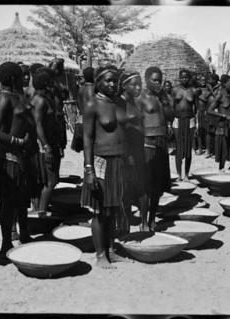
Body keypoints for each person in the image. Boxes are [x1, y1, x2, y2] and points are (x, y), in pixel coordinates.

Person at [81, 65, 129, 268]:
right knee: (100, 210)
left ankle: (111, 249)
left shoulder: (120, 103)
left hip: (119, 160)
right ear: (99, 82)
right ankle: (100, 255)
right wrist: (89, 168)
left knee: (114, 208)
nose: (112, 84)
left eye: (115, 80)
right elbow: (87, 137)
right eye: (108, 80)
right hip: (101, 161)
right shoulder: (93, 105)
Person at [0, 62, 33, 252]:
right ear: (13, 78)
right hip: (7, 157)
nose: (25, 78)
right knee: (7, 202)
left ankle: (24, 234)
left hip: (20, 156)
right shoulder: (5, 98)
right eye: (21, 76)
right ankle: (6, 243)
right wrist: (17, 141)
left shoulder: (19, 96)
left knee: (22, 199)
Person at [138, 66, 173, 231]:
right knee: (146, 185)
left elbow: (170, 115)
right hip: (148, 142)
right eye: (154, 80)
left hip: (162, 142)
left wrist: (165, 101)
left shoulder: (162, 98)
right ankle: (143, 221)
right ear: (146, 80)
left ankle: (152, 219)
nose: (158, 83)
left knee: (157, 186)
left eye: (160, 80)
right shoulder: (140, 98)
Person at [119, 71, 148, 231]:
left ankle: (144, 223)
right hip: (126, 152)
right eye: (134, 84)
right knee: (126, 189)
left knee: (142, 187)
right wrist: (127, 154)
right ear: (124, 86)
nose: (138, 87)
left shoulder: (136, 102)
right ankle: (126, 224)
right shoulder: (119, 104)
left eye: (140, 84)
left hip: (139, 150)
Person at [30, 68, 61, 215]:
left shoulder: (43, 99)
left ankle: (41, 209)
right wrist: (47, 146)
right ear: (46, 84)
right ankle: (41, 213)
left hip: (48, 143)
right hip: (44, 146)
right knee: (51, 181)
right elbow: (38, 125)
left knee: (48, 181)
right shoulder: (40, 101)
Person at [172, 69, 198, 181]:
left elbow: (196, 108)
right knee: (179, 147)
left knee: (188, 149)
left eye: (186, 77)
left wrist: (196, 123)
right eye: (182, 77)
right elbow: (171, 106)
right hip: (177, 120)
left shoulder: (193, 91)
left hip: (190, 119)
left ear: (189, 78)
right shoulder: (175, 90)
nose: (184, 79)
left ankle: (186, 174)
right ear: (179, 78)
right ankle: (179, 174)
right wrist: (170, 123)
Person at [207, 75, 230, 171]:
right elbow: (210, 110)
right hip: (222, 126)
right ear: (224, 84)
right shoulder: (220, 95)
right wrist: (223, 116)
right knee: (223, 149)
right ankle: (221, 169)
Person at [72, 67, 95, 152]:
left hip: (81, 119)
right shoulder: (93, 89)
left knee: (86, 148)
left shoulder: (81, 89)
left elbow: (78, 104)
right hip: (90, 121)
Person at [205, 73, 221, 158]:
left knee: (215, 132)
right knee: (208, 131)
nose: (209, 81)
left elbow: (216, 97)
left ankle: (215, 151)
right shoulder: (208, 87)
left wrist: (211, 89)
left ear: (215, 80)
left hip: (216, 112)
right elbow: (205, 97)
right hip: (208, 110)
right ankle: (208, 150)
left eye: (210, 79)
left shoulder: (220, 88)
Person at [195, 73, 209, 155]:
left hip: (206, 112)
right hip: (199, 112)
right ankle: (200, 148)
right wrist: (196, 113)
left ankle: (208, 149)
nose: (202, 81)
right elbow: (196, 102)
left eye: (204, 80)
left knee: (207, 132)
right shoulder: (197, 90)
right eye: (201, 80)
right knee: (199, 131)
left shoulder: (208, 90)